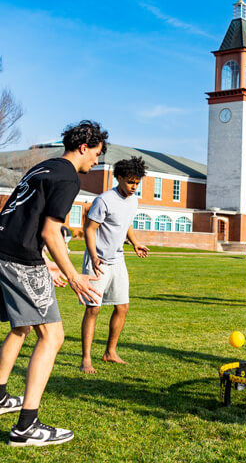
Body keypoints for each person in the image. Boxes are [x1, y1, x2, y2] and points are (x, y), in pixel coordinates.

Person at [0, 120, 107, 446]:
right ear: (84, 146)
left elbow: (20, 218)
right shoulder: (68, 178)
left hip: (6, 251)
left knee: (23, 327)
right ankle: (26, 427)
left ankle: (1, 396)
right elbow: (49, 231)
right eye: (97, 154)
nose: (96, 162)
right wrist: (74, 276)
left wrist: (46, 263)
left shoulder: (43, 168)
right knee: (53, 335)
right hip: (18, 259)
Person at [79, 156, 149, 374]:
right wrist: (94, 256)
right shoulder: (104, 200)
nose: (134, 187)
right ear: (119, 178)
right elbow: (90, 230)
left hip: (118, 260)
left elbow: (126, 224)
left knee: (122, 307)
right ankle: (86, 359)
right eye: (130, 182)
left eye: (137, 183)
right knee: (94, 309)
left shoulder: (134, 200)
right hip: (97, 260)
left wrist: (135, 243)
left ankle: (110, 352)